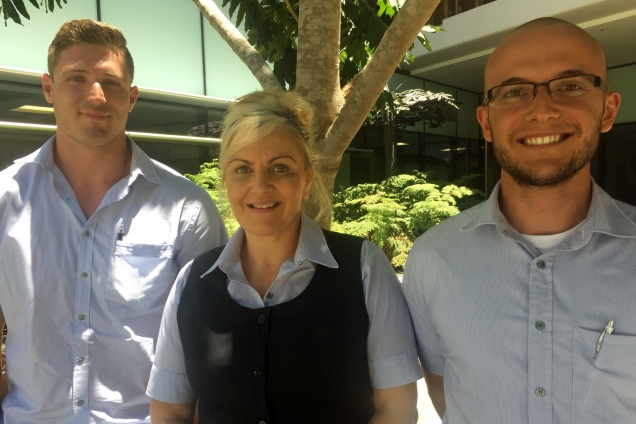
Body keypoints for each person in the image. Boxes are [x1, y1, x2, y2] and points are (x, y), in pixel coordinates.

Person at [402, 17, 635, 424]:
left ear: (607, 109)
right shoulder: (434, 258)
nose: (542, 110)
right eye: (513, 92)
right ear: (486, 123)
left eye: (570, 85)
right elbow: (443, 388)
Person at [147, 90, 423, 424]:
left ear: (307, 180)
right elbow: (169, 413)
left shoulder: (363, 269)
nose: (260, 185)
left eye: (280, 167)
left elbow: (397, 409)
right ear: (226, 181)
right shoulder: (193, 281)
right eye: (242, 169)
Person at [0, 19, 227, 422]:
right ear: (48, 89)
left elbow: (211, 350)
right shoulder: (5, 199)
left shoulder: (186, 209)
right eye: (76, 78)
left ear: (132, 97)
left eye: (111, 82)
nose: (95, 94)